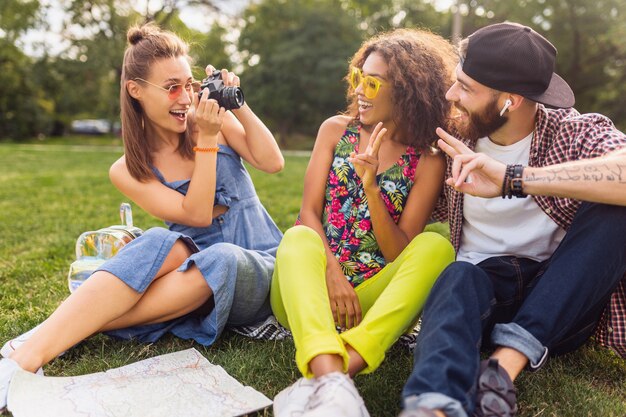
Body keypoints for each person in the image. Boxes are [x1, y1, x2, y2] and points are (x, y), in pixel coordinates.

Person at [0, 23, 284, 410]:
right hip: (191, 282)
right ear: (136, 90)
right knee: (158, 240)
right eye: (171, 87)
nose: (185, 97)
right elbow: (196, 217)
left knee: (220, 257)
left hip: (260, 268)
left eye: (189, 84)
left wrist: (237, 106)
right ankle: (27, 359)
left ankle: (56, 330)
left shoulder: (213, 122)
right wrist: (208, 139)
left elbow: (273, 162)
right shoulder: (128, 168)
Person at [399, 22, 626, 417]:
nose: (452, 96)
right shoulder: (452, 137)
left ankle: (503, 366)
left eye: (466, 88)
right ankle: (433, 405)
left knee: (615, 207)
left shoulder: (573, 133)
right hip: (480, 296)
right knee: (458, 276)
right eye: (456, 81)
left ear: (511, 101)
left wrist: (512, 180)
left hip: (562, 301)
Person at [270, 29, 457, 417]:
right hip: (310, 293)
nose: (359, 90)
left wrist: (372, 187)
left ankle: (335, 374)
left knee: (437, 247)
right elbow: (308, 212)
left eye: (372, 82)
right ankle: (331, 381)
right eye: (357, 76)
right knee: (299, 236)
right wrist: (332, 275)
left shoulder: (428, 159)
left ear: (408, 91)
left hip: (370, 303)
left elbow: (397, 252)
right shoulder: (335, 130)